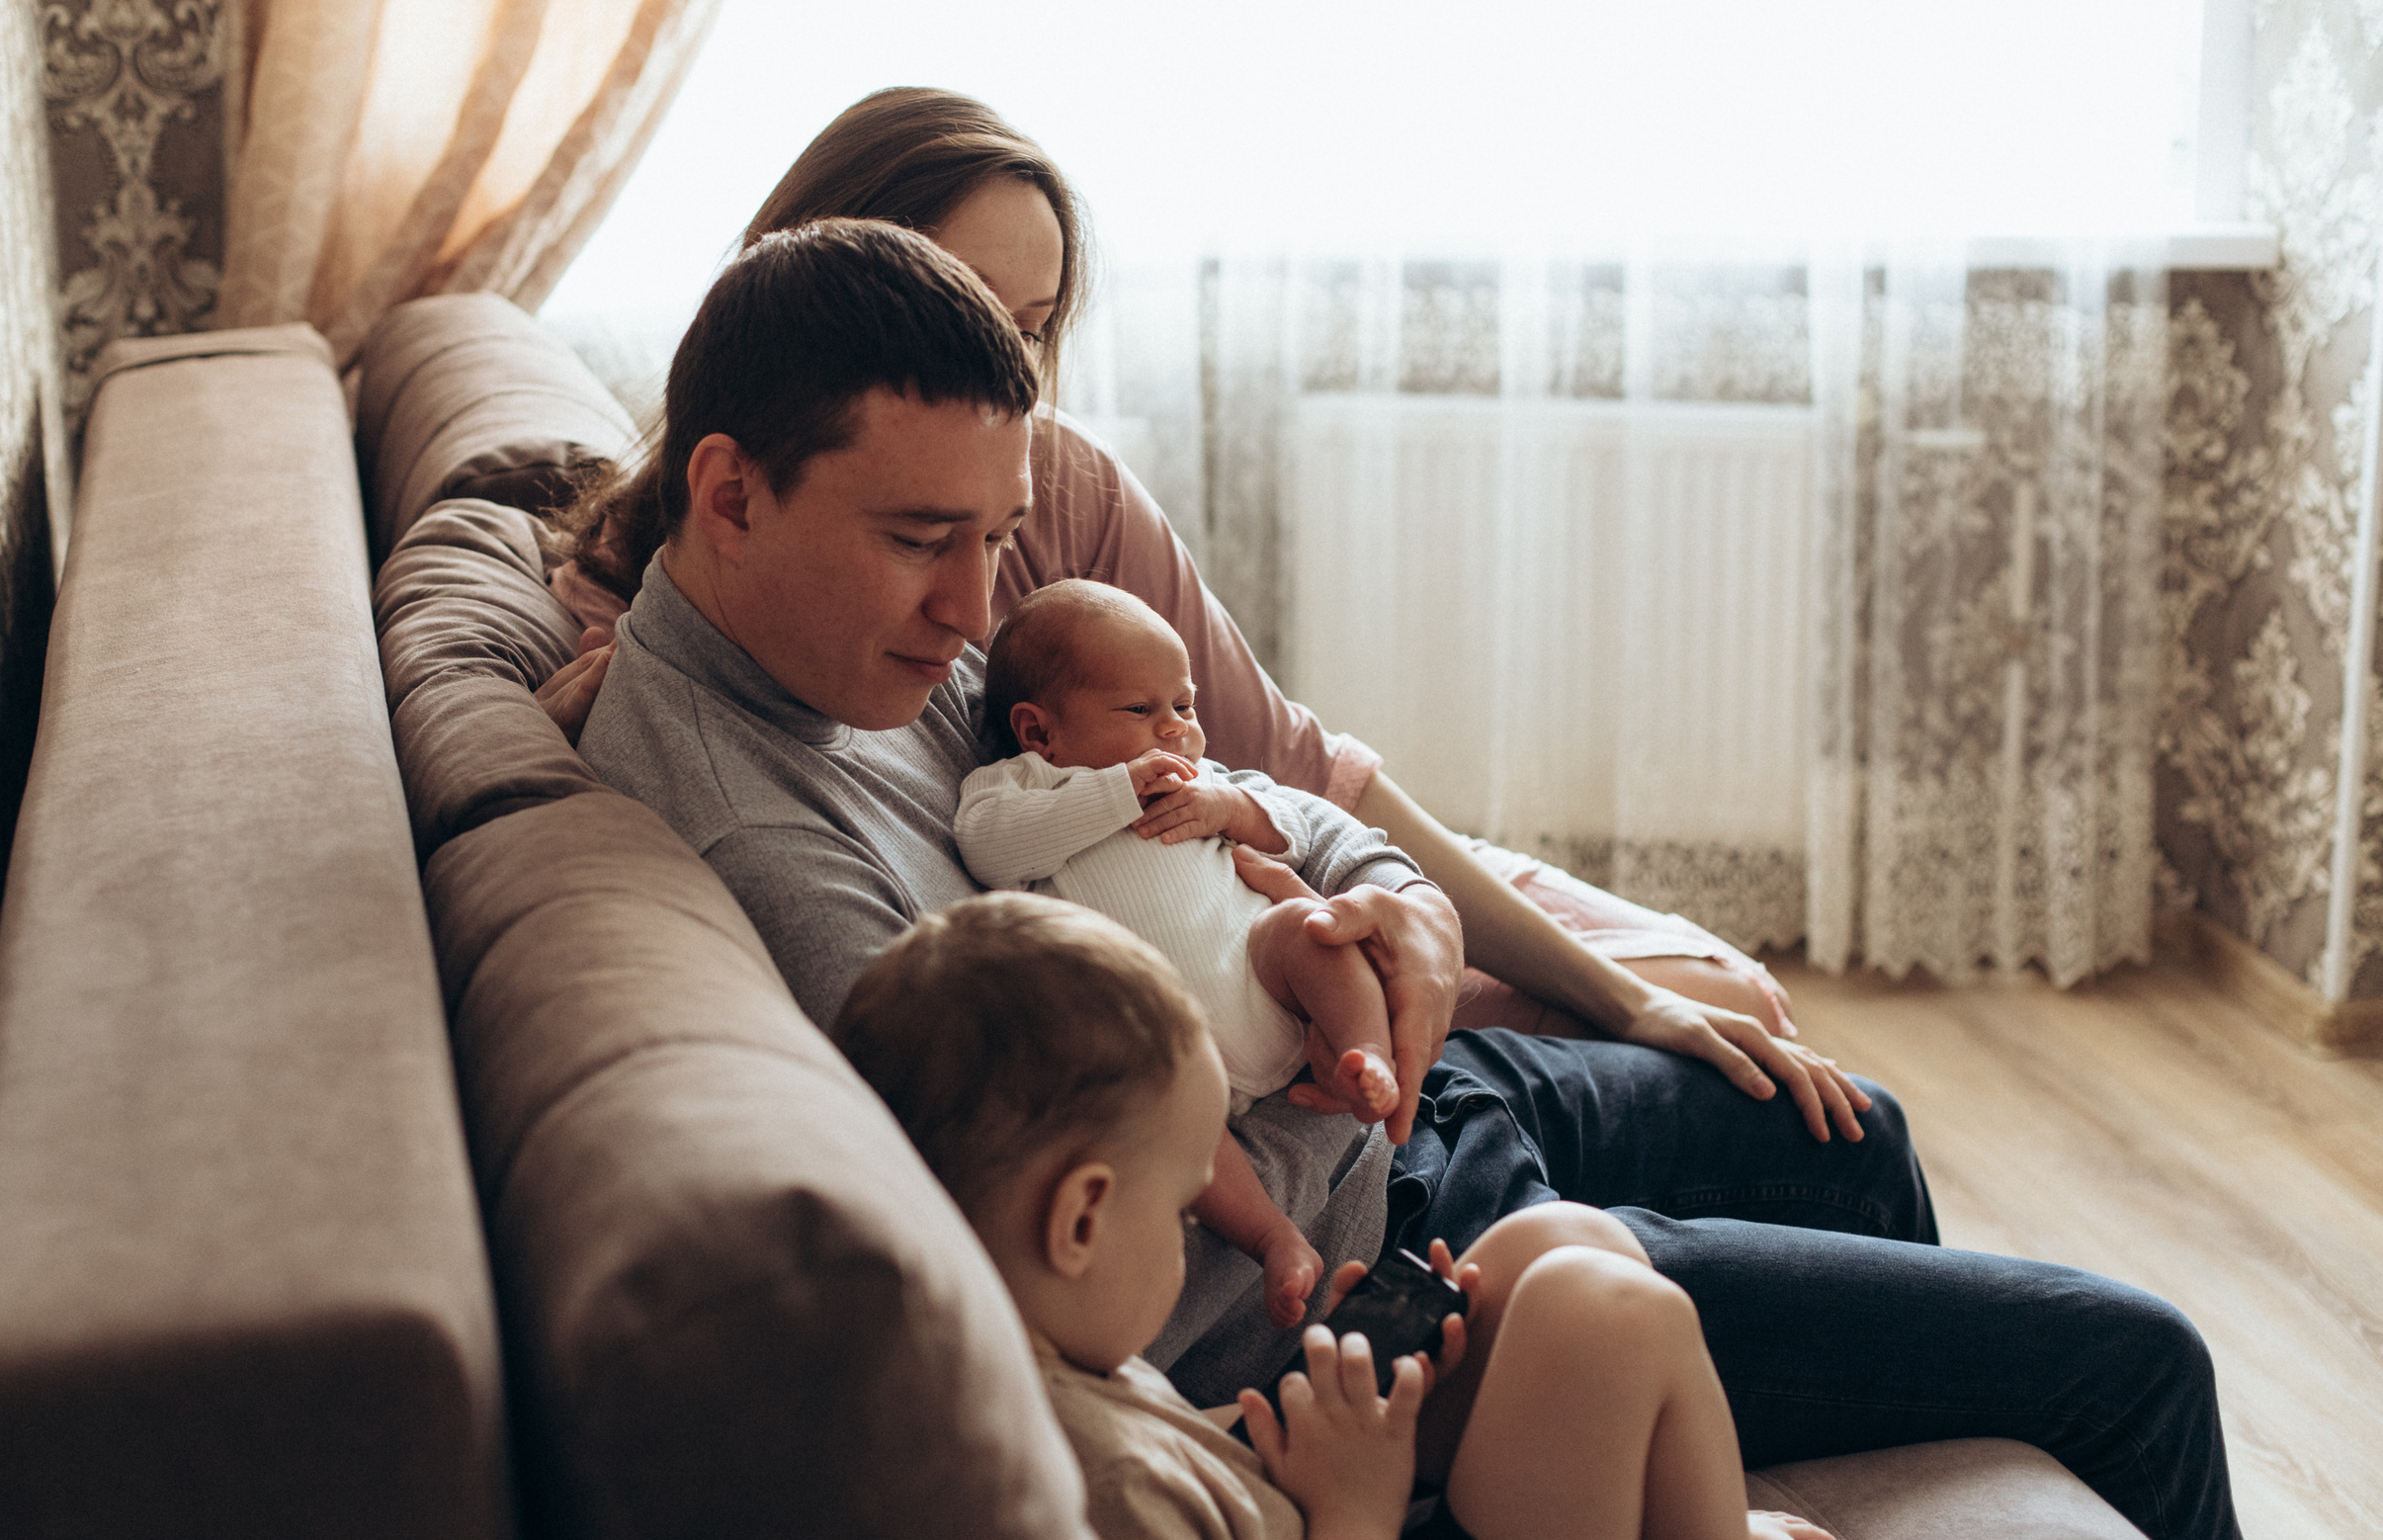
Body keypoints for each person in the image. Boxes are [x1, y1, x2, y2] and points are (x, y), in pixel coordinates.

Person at [568, 206, 2238, 1540]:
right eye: (923, 539)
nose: (970, 603)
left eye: (994, 538)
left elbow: (1256, 784)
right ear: (729, 491)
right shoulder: (763, 844)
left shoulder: (869, 647)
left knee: (1859, 1135)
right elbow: (1067, 1230)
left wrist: (1390, 905)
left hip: (1392, 1111)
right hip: (1379, 1277)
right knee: (2138, 1362)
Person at [542, 87, 1874, 1158]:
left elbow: (1285, 767)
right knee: (1749, 1053)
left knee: (1719, 997)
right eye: (958, 305)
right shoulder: (734, 635)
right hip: (1244, 1017)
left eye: (1029, 329)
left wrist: (1459, 922)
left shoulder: (1051, 483)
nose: (1001, 373)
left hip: (1261, 856)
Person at [835, 893, 1832, 1540]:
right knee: (1608, 1315)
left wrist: (1304, 1413)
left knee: (1561, 1243)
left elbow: (1187, 1444)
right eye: (1185, 1209)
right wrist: (1356, 1500)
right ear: (1081, 1220)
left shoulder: (1046, 1355)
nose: (1193, 1235)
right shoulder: (1099, 1487)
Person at [962, 578, 1407, 1327]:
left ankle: (1371, 1057)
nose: (1174, 729)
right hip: (1167, 1039)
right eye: (1140, 710)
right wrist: (1118, 793)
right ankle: (1273, 1238)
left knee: (1306, 924)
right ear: (1039, 732)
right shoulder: (1021, 785)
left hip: (1258, 971)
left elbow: (1291, 832)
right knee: (1158, 1118)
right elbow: (988, 848)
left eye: (1185, 705)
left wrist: (1230, 806)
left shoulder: (1201, 780)